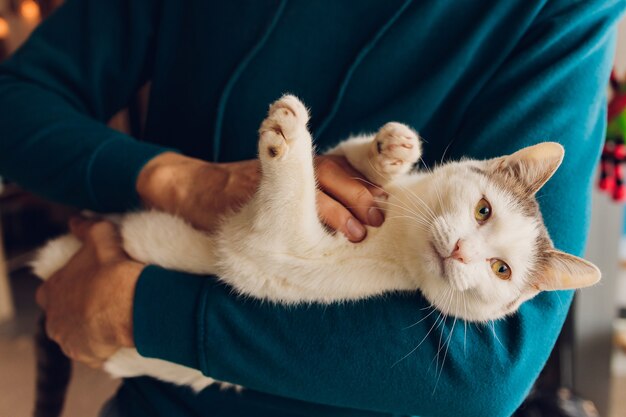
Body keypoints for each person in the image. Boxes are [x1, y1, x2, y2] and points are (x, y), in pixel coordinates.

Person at [0, 1, 624, 416]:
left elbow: (487, 369)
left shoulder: (561, 10)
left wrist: (141, 312)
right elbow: (17, 98)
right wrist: (174, 179)